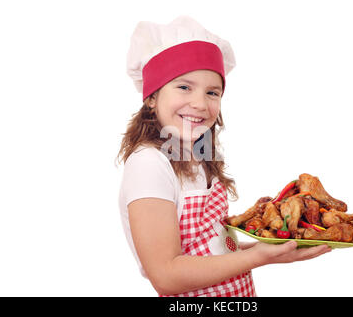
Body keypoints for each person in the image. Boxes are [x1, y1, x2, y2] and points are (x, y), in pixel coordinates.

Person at [117, 16, 331, 297]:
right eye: (184, 87)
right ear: (152, 96)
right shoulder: (149, 164)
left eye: (212, 92)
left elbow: (210, 249)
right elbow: (166, 275)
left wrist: (271, 250)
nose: (200, 103)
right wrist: (258, 257)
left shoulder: (196, 157)